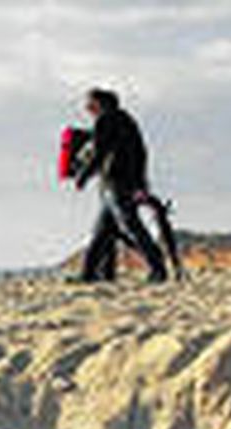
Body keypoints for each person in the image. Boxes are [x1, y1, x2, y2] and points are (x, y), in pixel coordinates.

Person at [74, 88, 170, 283]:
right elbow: (141, 153)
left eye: (89, 103)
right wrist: (141, 184)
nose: (86, 108)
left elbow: (99, 153)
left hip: (116, 183)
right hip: (125, 183)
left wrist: (83, 176)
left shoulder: (105, 120)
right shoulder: (127, 119)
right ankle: (87, 275)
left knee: (130, 227)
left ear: (98, 103)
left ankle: (158, 268)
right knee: (101, 233)